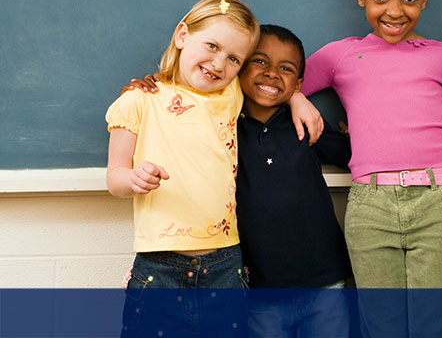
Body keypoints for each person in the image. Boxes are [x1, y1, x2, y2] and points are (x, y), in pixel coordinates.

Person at [286, 0, 442, 337]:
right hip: (370, 204)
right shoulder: (340, 55)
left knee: (435, 325)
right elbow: (278, 84)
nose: (395, 10)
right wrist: (297, 98)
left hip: (437, 201)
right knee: (380, 325)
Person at [123, 24, 355, 338]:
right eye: (259, 62)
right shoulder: (221, 121)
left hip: (325, 279)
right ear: (239, 67)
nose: (272, 73)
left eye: (285, 69)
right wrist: (155, 87)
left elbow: (353, 155)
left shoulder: (305, 122)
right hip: (259, 288)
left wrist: (305, 103)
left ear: (298, 82)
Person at [105, 0, 260, 337]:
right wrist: (133, 178)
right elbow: (114, 179)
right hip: (159, 268)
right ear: (182, 35)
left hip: (225, 263)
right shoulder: (137, 100)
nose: (219, 64)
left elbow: (270, 83)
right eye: (212, 45)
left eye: (234, 58)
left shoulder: (231, 93)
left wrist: (296, 98)